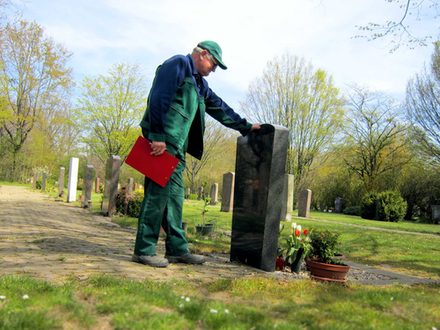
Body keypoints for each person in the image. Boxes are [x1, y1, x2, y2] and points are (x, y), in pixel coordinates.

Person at [132, 40, 260, 267]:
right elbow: (159, 97)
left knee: (175, 199)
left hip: (177, 147)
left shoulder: (200, 84)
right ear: (202, 54)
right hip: (163, 142)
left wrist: (246, 126)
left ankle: (177, 250)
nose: (214, 69)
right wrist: (158, 135)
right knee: (157, 197)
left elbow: (220, 108)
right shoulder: (178, 64)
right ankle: (144, 250)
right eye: (213, 63)